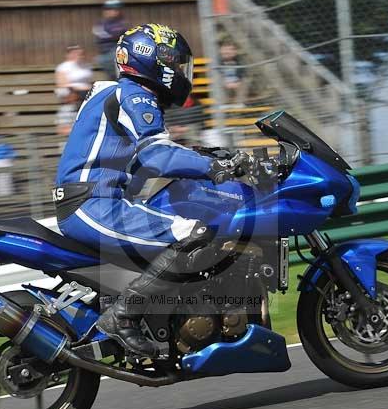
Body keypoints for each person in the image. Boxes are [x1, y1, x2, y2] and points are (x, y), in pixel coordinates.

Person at [54, 24, 250, 357]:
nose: (179, 70)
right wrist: (213, 169)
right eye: (174, 62)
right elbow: (156, 155)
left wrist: (210, 156)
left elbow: (147, 155)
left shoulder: (121, 93)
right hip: (94, 203)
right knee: (195, 233)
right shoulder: (133, 93)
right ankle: (122, 317)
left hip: (94, 200)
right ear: (151, 59)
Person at [54, 45, 93, 137]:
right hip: (72, 95)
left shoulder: (86, 66)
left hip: (87, 96)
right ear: (69, 54)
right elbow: (61, 84)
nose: (79, 55)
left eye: (81, 53)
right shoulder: (63, 67)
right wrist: (76, 91)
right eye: (76, 53)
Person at [92, 0, 128, 79]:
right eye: (113, 10)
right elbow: (107, 35)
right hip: (107, 53)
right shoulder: (100, 25)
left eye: (118, 10)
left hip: (121, 51)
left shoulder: (122, 23)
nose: (116, 12)